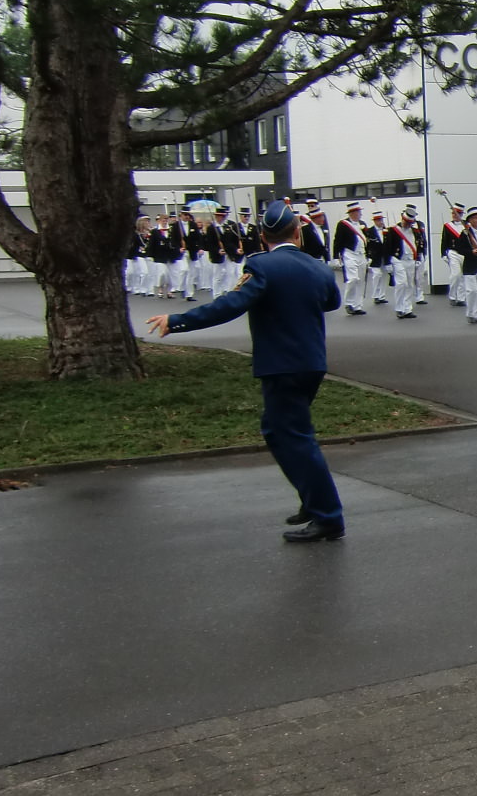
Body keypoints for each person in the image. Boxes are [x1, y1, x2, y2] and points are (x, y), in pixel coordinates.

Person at [145, 199, 346, 541]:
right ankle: (314, 500)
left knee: (293, 437)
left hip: (282, 364)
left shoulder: (262, 266)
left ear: (264, 237)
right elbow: (332, 301)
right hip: (311, 362)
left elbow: (230, 305)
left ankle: (327, 515)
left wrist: (178, 320)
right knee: (278, 431)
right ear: (297, 233)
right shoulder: (318, 267)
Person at [331, 202, 368, 314]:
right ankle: (349, 303)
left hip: (362, 254)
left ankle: (358, 306)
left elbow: (367, 240)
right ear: (352, 213)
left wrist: (369, 255)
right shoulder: (343, 224)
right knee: (353, 279)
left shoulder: (362, 224)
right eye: (358, 212)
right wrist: (336, 257)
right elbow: (337, 241)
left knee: (361, 280)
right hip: (349, 254)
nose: (360, 214)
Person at [388, 206, 422, 318]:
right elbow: (387, 247)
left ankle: (407, 309)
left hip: (411, 260)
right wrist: (388, 263)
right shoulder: (393, 231)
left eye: (409, 223)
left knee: (410, 285)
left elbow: (418, 245)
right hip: (398, 260)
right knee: (401, 283)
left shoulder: (415, 232)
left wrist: (418, 259)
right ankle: (399, 308)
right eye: (406, 222)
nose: (407, 224)